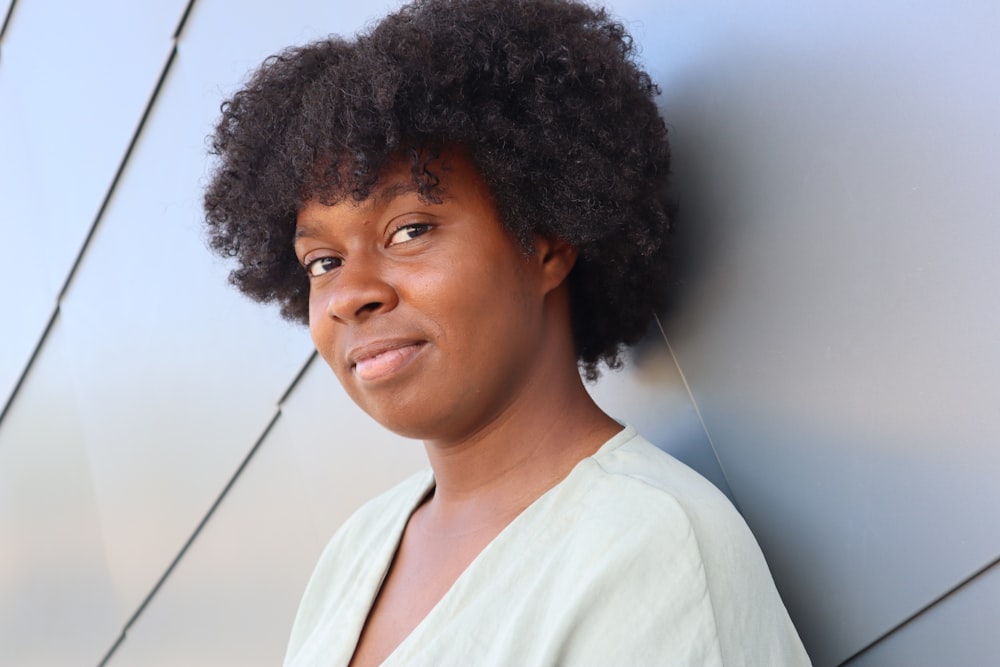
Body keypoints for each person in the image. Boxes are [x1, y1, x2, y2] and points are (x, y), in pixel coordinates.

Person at [204, 0, 811, 664]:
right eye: (323, 262)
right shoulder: (358, 549)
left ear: (546, 241)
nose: (350, 295)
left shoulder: (646, 548)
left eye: (409, 230)